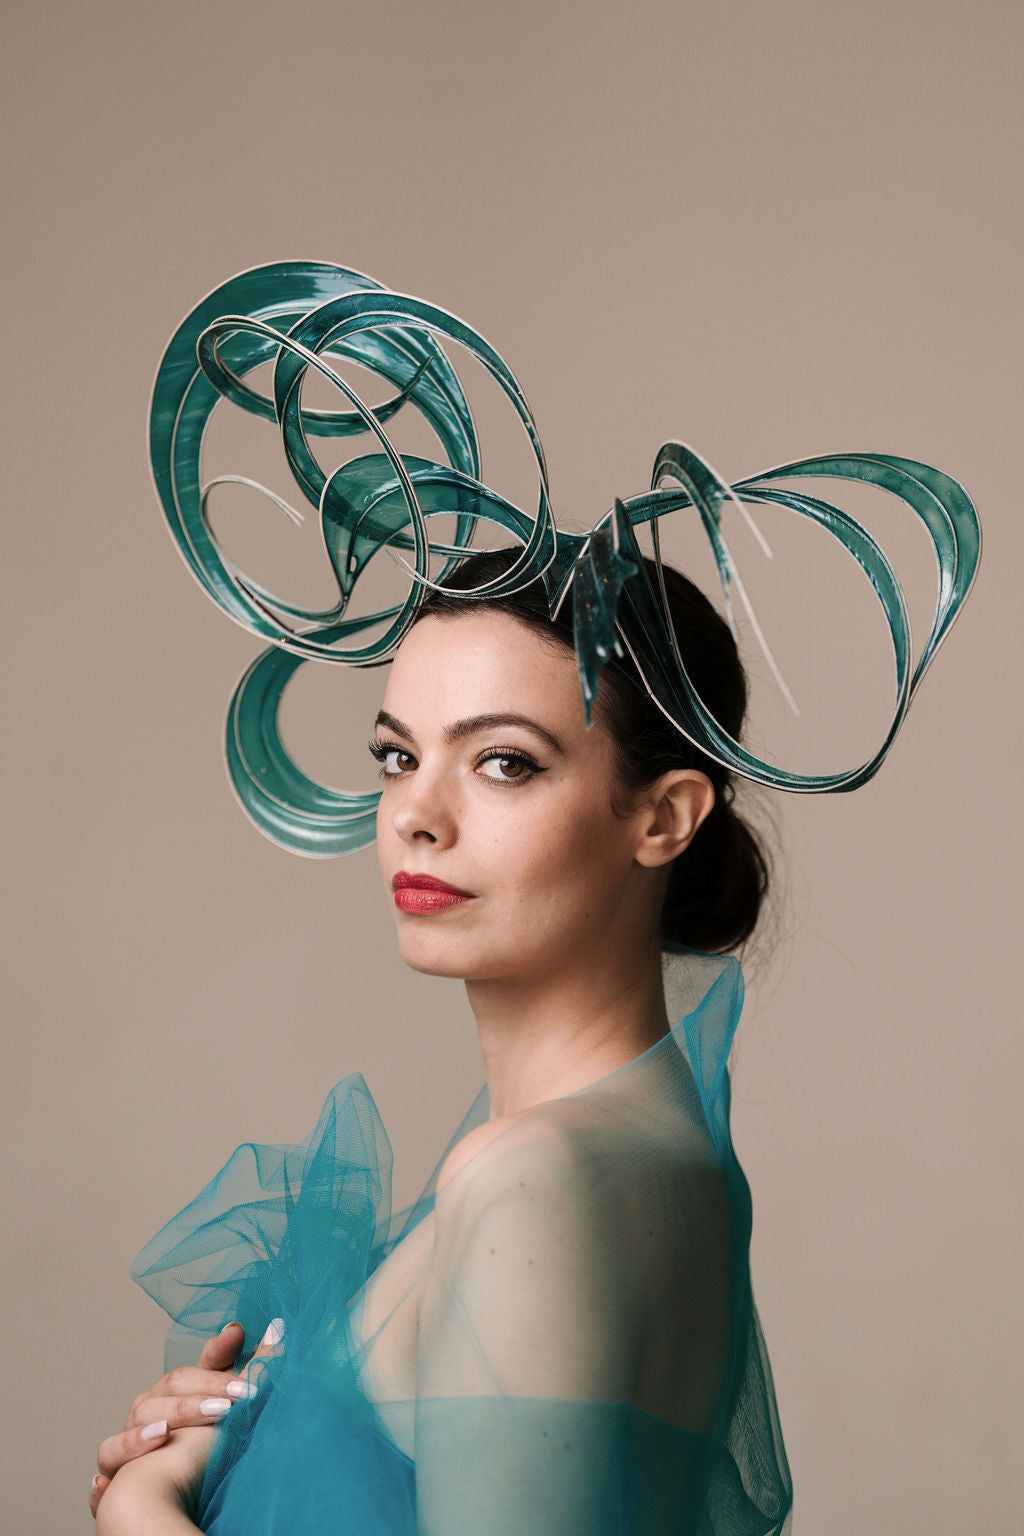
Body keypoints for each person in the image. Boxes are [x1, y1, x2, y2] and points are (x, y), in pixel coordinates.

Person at [89, 262, 979, 1534]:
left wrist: (143, 1512)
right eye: (399, 754)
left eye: (504, 760)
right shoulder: (624, 1160)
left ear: (662, 816)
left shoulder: (534, 1184)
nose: (418, 812)